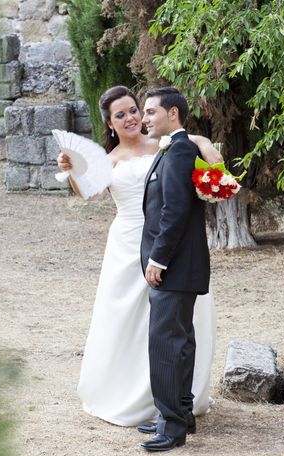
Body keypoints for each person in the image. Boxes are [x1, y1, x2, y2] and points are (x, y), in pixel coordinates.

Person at [56, 86, 219, 430]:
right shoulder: (108, 160)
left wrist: (205, 146)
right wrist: (73, 171)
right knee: (129, 320)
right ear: (110, 124)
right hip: (128, 243)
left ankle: (174, 401)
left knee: (172, 323)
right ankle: (136, 396)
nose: (131, 118)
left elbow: (199, 156)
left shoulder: (167, 145)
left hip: (169, 240)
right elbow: (90, 193)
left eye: (134, 110)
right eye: (121, 114)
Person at [138, 87, 211, 452]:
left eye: (151, 112)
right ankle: (181, 413)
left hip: (174, 267)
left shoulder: (180, 149)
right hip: (179, 269)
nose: (144, 119)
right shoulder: (173, 148)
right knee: (179, 342)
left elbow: (175, 210)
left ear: (173, 115)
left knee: (166, 345)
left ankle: (172, 426)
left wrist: (158, 258)